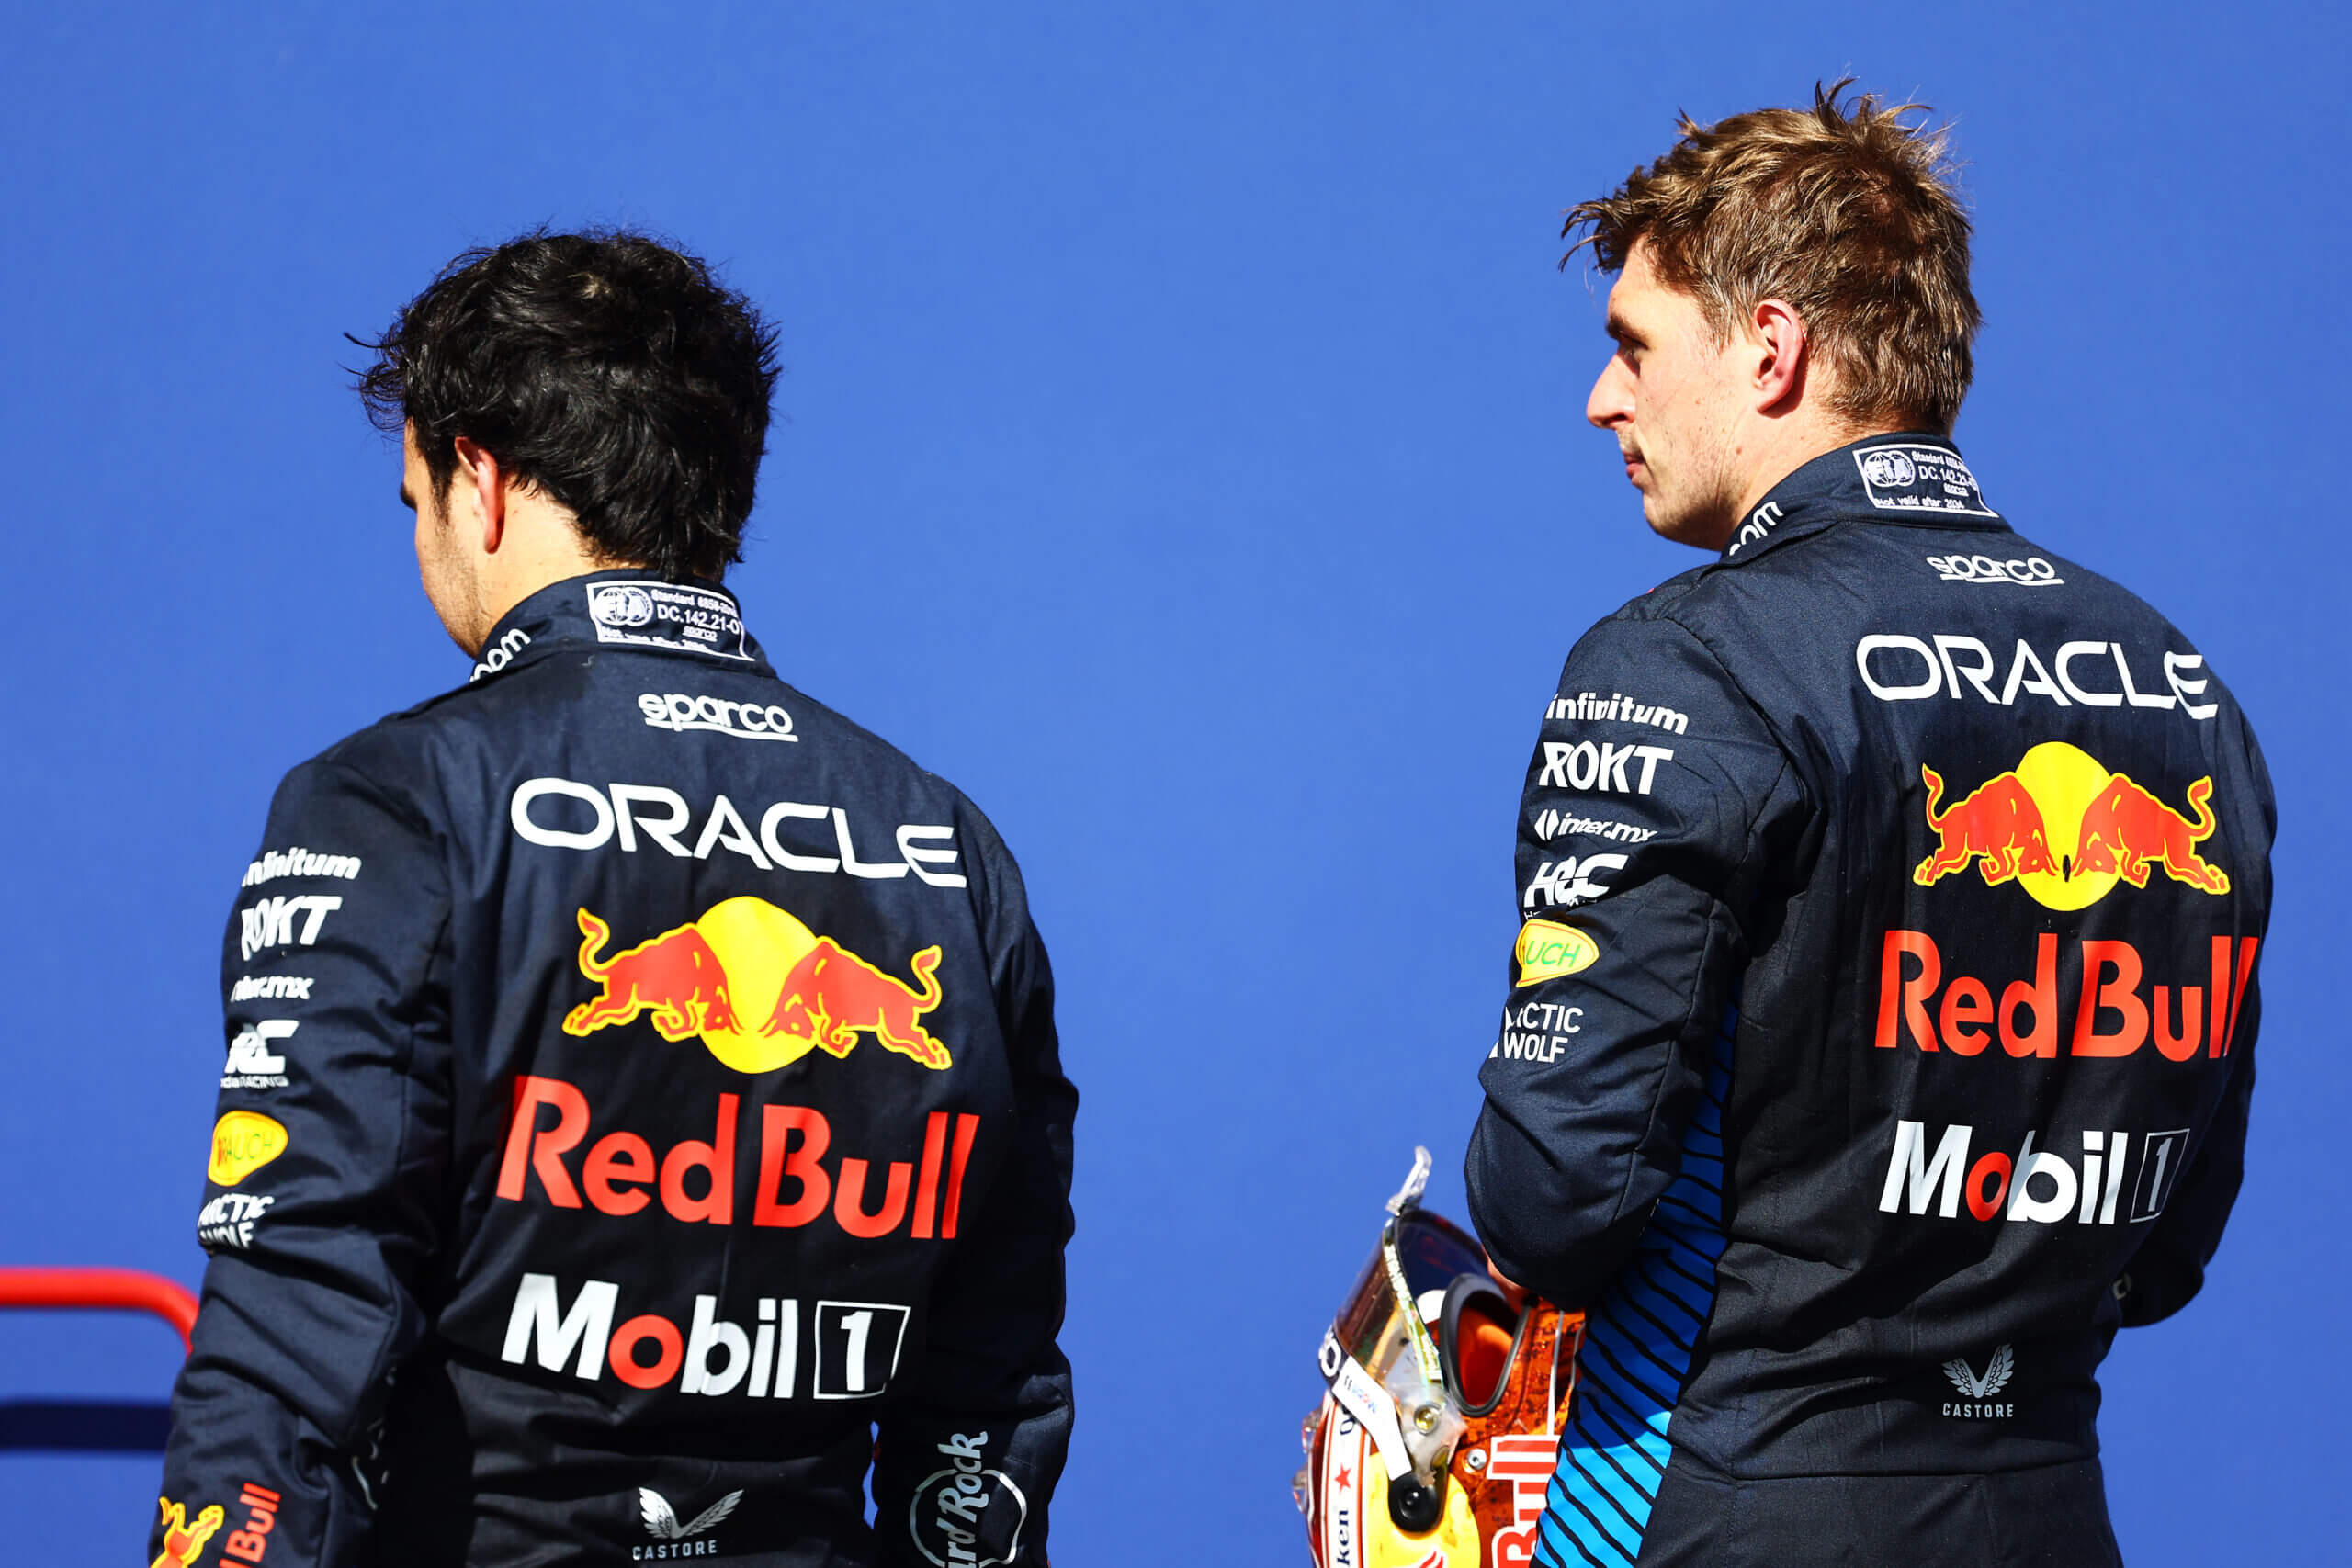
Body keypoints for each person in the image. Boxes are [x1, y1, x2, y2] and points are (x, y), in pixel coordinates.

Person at [153, 231, 1075, 1567]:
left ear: (478, 477)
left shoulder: (397, 804)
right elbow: (987, 1394)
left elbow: (300, 1322)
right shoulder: (948, 845)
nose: (424, 543)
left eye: (413, 499)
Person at [1464, 84, 2270, 1567]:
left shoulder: (1685, 661)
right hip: (2047, 1511)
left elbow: (1557, 1197)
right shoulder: (2179, 685)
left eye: (1634, 346)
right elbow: (2170, 1243)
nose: (1603, 399)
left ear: (1769, 350)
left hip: (1717, 1503)